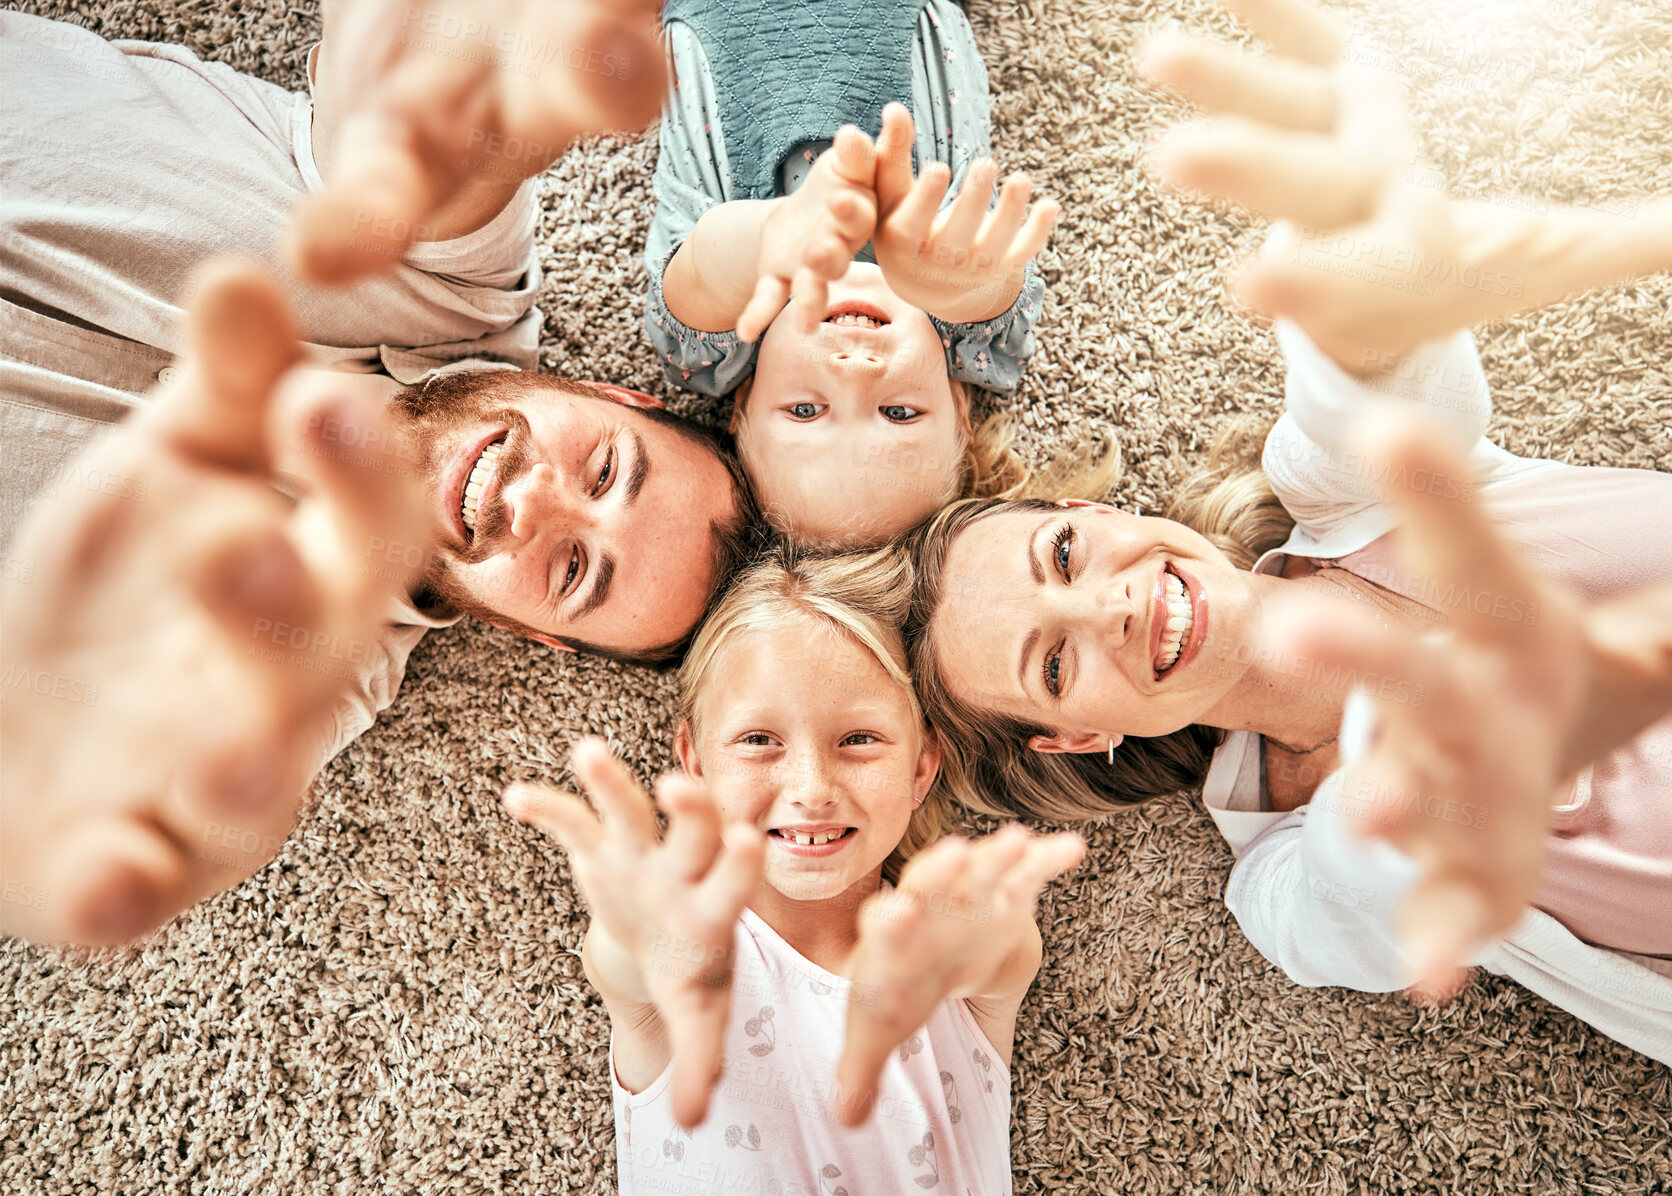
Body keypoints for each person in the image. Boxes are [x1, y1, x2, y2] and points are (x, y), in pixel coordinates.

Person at [896, 0, 1672, 1061]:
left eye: (1064, 557)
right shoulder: (1283, 875)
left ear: (1092, 513)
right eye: (1056, 658)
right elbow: (1370, 883)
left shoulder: (1360, 498)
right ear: (1079, 734)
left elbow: (1371, 372)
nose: (1109, 604)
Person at [0, 0, 754, 947]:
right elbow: (463, 143)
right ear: (614, 394)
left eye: (571, 570)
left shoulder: (314, 665)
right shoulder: (451, 281)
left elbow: (186, 797)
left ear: (540, 638)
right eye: (604, 470)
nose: (531, 504)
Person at [504, 546, 1083, 1193]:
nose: (811, 788)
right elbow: (629, 969)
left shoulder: (940, 958)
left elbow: (1001, 953)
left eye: (858, 740)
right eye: (759, 742)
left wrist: (972, 928)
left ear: (921, 768)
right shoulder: (690, 962)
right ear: (696, 763)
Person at [644, 0, 1065, 547]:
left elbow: (698, 272)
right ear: (959, 409)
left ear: (741, 408)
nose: (855, 369)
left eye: (804, 410)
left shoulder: (708, 355)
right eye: (898, 412)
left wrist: (775, 232)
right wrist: (962, 284)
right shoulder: (977, 343)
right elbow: (997, 292)